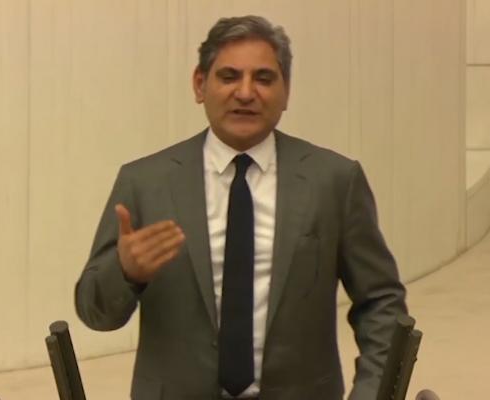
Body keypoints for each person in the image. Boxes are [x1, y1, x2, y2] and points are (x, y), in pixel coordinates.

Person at [75, 15, 407, 400]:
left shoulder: (334, 181)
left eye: (263, 79)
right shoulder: (145, 183)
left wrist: (370, 393)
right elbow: (94, 313)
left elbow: (381, 303)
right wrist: (125, 273)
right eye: (229, 76)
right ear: (200, 85)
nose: (246, 93)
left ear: (286, 91)